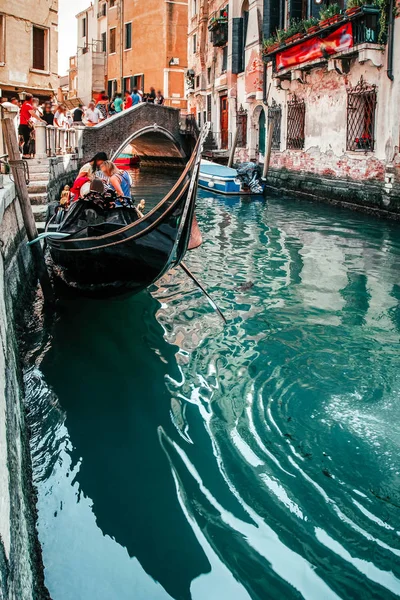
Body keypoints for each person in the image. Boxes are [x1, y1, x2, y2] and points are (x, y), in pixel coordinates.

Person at [18, 94, 37, 158]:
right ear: (31, 99)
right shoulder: (28, 105)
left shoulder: (24, 105)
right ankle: (26, 154)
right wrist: (40, 119)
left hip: (22, 124)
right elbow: (33, 114)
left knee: (24, 140)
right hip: (26, 125)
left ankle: (24, 153)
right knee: (27, 140)